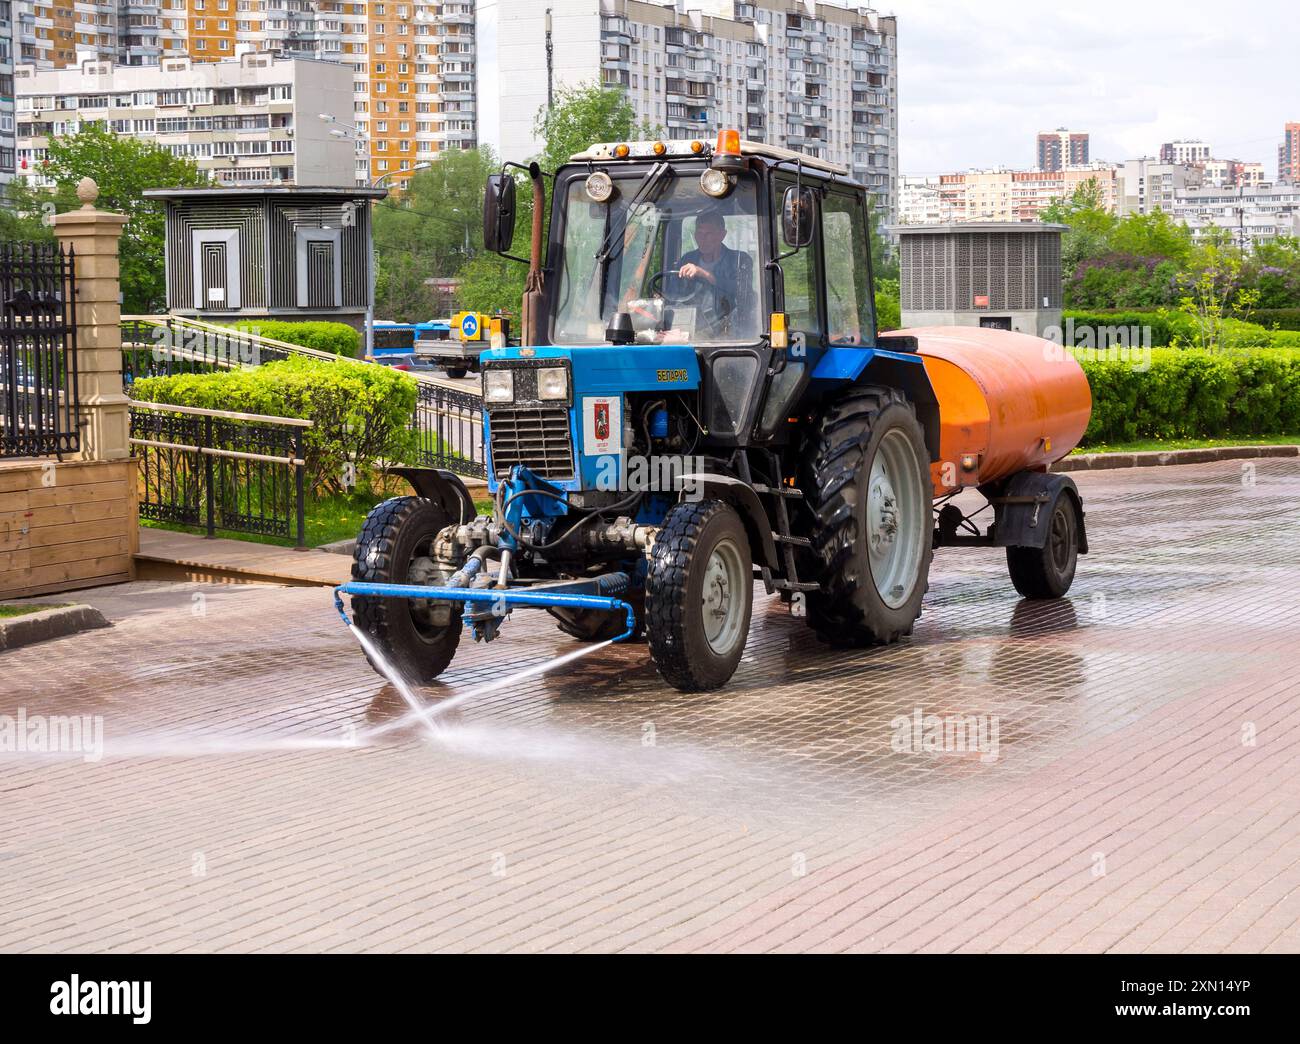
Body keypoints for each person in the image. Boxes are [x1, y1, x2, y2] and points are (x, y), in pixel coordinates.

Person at [674, 207, 755, 333]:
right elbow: (673, 294)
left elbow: (743, 292)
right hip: (691, 329)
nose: (702, 239)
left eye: (708, 234)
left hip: (730, 331)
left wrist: (705, 274)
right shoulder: (686, 260)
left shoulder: (740, 260)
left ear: (722, 235)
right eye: (699, 234)